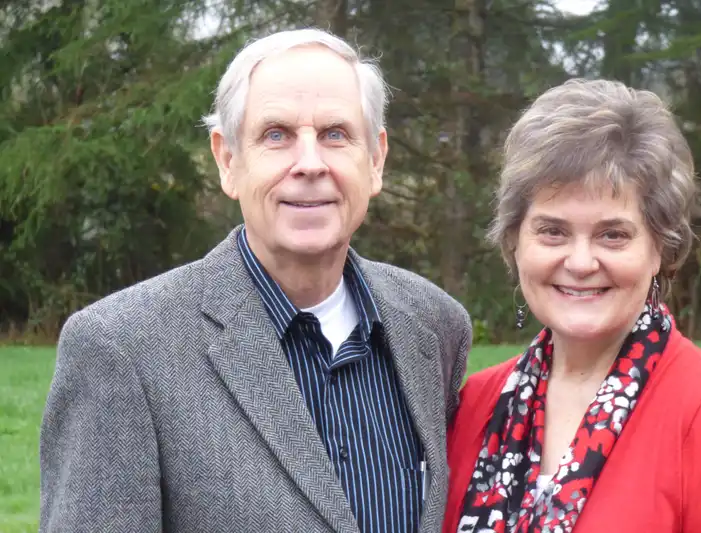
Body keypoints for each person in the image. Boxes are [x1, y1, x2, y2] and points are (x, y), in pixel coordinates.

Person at [39, 28, 472, 533]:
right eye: (276, 135)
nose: (310, 164)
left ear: (375, 160)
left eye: (335, 134)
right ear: (227, 160)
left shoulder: (434, 327)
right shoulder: (121, 349)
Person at [443, 79, 701, 533]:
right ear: (515, 241)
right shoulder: (477, 404)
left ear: (659, 250)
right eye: (552, 231)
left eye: (613, 234)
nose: (580, 262)